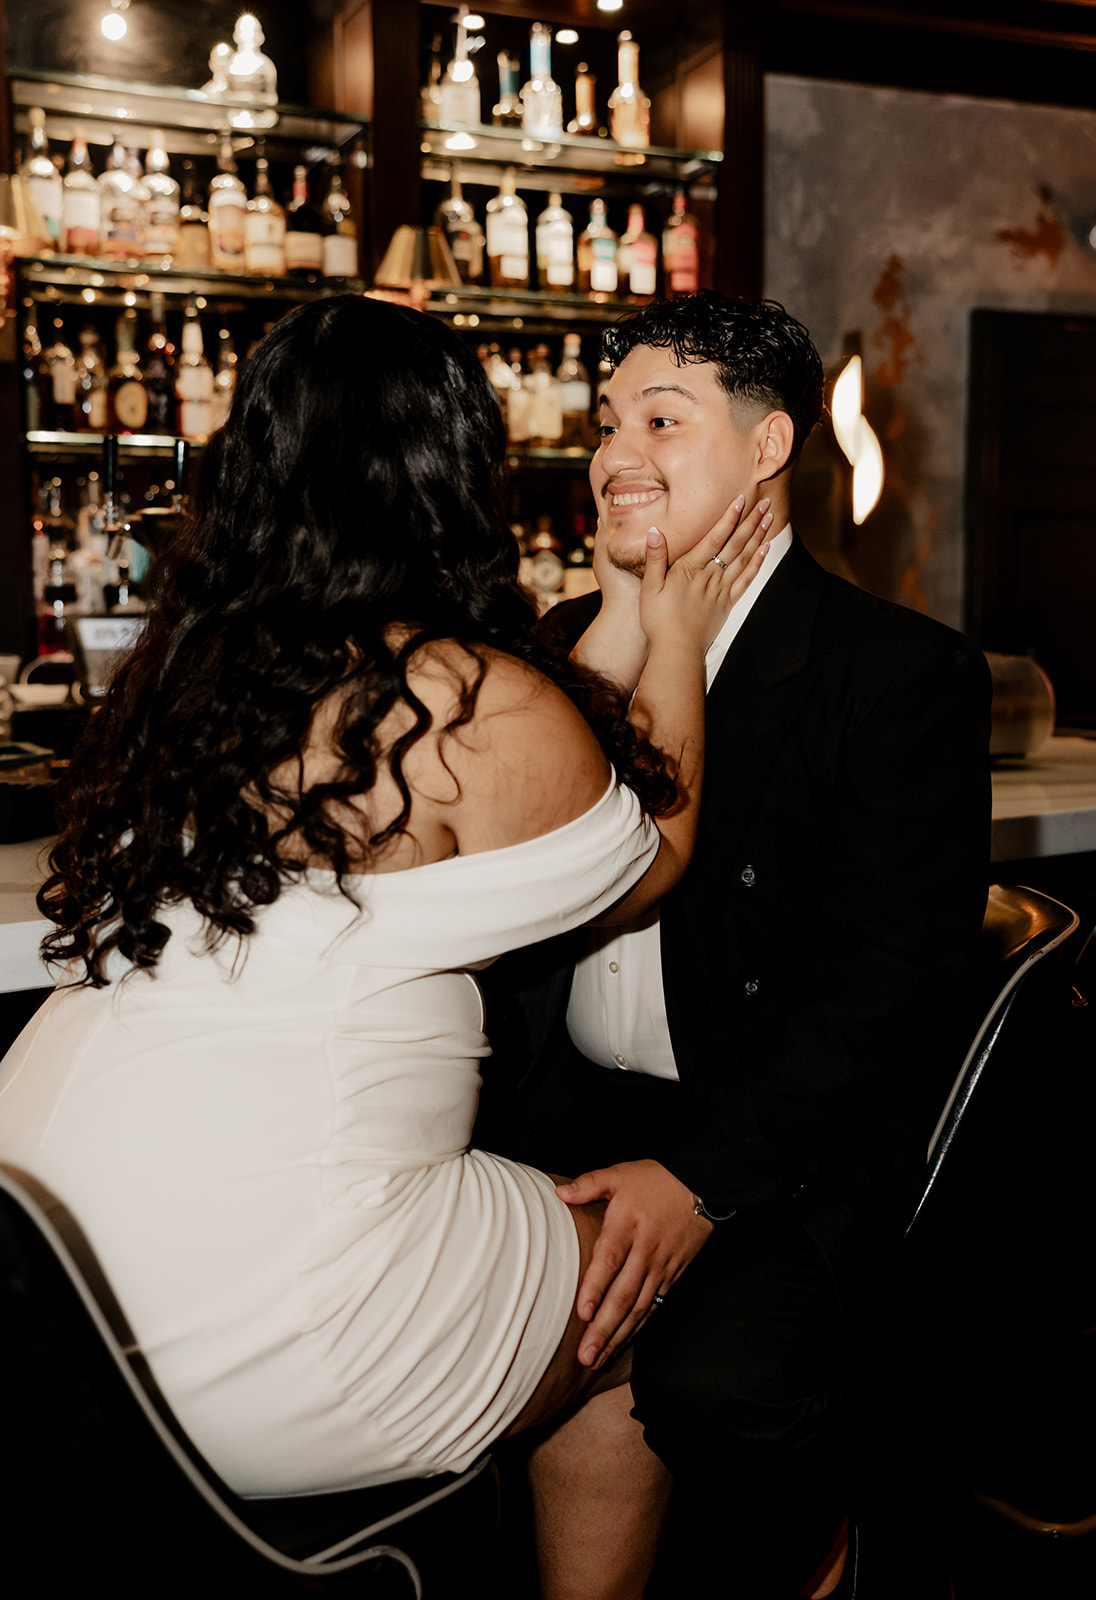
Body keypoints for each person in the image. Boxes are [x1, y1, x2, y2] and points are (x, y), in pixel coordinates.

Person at [0, 294, 770, 1600]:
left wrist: (631, 597)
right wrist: (682, 626)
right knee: (647, 1292)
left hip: (47, 1292)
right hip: (260, 1322)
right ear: (454, 472)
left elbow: (555, 737)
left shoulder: (193, 685)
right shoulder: (466, 701)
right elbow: (654, 845)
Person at [488, 291, 992, 1598]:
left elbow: (895, 988)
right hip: (563, 1107)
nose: (616, 455)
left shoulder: (895, 673)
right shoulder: (555, 649)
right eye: (609, 422)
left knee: (717, 1380)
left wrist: (696, 1178)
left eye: (664, 418)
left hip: (784, 1126)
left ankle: (827, 1552)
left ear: (767, 449)